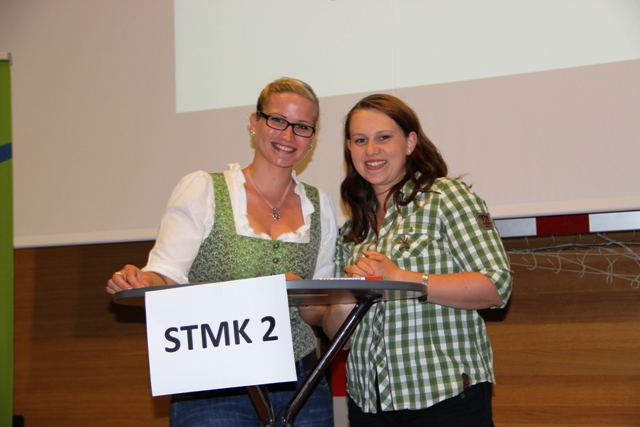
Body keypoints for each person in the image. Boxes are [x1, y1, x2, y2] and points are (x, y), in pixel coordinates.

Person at [106, 77, 337, 427]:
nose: (288, 135)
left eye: (302, 127)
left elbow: (320, 309)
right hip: (213, 381)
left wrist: (301, 294)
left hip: (301, 381)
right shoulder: (203, 190)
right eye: (277, 120)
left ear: (312, 138)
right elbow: (167, 275)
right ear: (254, 122)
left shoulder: (321, 207)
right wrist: (140, 280)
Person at [317, 94, 513, 426]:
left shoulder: (445, 197)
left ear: (410, 143)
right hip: (368, 406)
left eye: (384, 137)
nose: (371, 150)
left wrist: (401, 278)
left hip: (445, 400)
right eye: (360, 140)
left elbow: (496, 286)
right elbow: (341, 338)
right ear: (349, 149)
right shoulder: (352, 230)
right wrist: (346, 299)